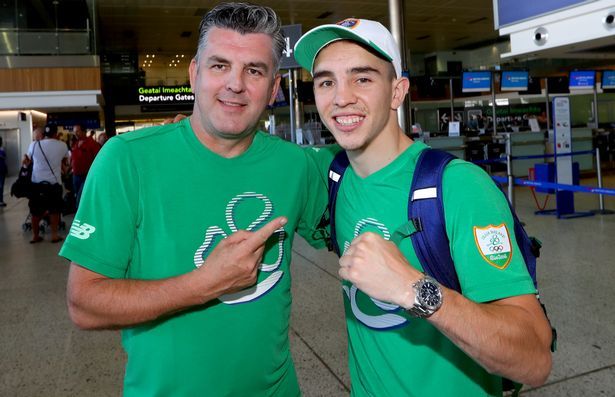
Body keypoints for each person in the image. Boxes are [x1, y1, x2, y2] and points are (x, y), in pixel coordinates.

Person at [60, 3, 328, 396]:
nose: (235, 84)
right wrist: (204, 283)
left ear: (273, 88)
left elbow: (364, 219)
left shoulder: (297, 166)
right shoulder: (126, 159)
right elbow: (83, 303)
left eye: (253, 70)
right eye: (219, 65)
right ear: (194, 73)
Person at [294, 18, 553, 396]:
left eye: (362, 78)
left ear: (397, 92)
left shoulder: (458, 186)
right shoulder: (333, 176)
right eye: (326, 81)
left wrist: (414, 290)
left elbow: (534, 359)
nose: (341, 97)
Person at [26, 124, 69, 243]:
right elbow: (65, 162)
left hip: (37, 184)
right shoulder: (62, 145)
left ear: (44, 133)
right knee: (54, 210)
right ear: (56, 134)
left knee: (35, 211)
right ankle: (54, 235)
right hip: (54, 184)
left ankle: (35, 236)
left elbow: (27, 161)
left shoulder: (34, 144)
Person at [70, 123, 100, 207]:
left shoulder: (92, 143)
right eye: (74, 132)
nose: (75, 133)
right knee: (78, 196)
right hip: (76, 175)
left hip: (86, 175)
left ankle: (80, 216)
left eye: (77, 131)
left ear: (84, 131)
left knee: (80, 198)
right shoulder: (75, 143)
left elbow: (97, 159)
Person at [0, 136, 7, 207]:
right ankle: (1, 201)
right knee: (1, 186)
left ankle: (1, 201)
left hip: (2, 170)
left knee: (1, 186)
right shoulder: (2, 150)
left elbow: (4, 157)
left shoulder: (2, 150)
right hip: (2, 170)